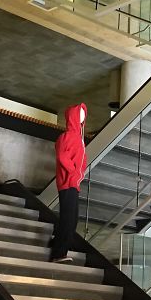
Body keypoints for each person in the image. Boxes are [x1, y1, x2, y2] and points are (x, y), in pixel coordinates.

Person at [50, 102, 87, 263]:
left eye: (83, 114)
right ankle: (58, 253)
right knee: (68, 218)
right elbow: (61, 156)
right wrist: (73, 173)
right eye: (79, 114)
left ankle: (56, 242)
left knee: (72, 219)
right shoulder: (66, 137)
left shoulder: (78, 138)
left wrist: (77, 175)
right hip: (68, 182)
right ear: (72, 117)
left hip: (73, 183)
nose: (82, 117)